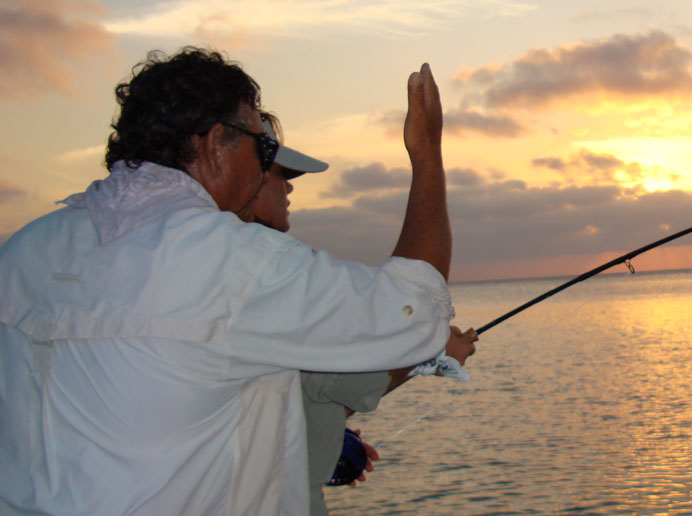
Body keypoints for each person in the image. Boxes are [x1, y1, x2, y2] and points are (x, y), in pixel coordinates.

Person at [0, 47, 475, 515]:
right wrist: (427, 155)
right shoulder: (231, 262)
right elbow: (413, 309)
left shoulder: (22, 252)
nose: (268, 167)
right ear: (212, 145)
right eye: (263, 147)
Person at [250, 115, 436, 515]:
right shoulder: (276, 284)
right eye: (280, 171)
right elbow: (414, 312)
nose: (290, 184)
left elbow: (303, 392)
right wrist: (427, 157)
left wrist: (329, 435)